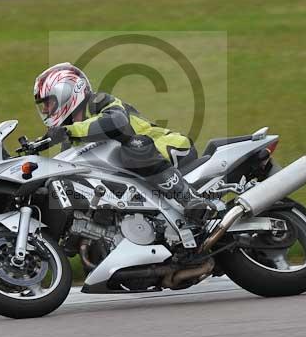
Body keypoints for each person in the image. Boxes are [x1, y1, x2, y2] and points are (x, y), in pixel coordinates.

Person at [34, 62, 215, 223]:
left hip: (167, 145)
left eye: (48, 102)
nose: (44, 109)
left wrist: (69, 131)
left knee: (134, 147)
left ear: (67, 92)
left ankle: (190, 198)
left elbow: (117, 123)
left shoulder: (97, 102)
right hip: (137, 172)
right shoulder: (71, 140)